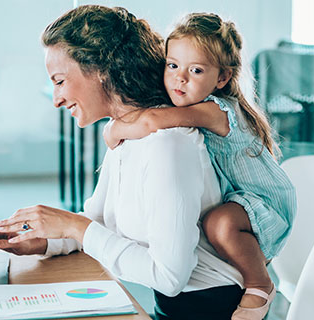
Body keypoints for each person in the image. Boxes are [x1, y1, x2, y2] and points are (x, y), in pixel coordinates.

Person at [0, 5, 245, 319]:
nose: (55, 99)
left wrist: (73, 226)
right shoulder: (125, 135)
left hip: (212, 311)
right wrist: (38, 240)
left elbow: (169, 278)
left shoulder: (169, 146)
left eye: (59, 81)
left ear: (100, 71)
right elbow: (97, 222)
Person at [103, 12, 296, 320]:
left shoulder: (216, 111)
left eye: (195, 70)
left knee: (218, 224)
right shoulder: (197, 104)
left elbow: (153, 121)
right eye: (172, 65)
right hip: (240, 196)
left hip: (266, 200)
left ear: (222, 78)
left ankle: (260, 284)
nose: (180, 77)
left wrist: (112, 129)